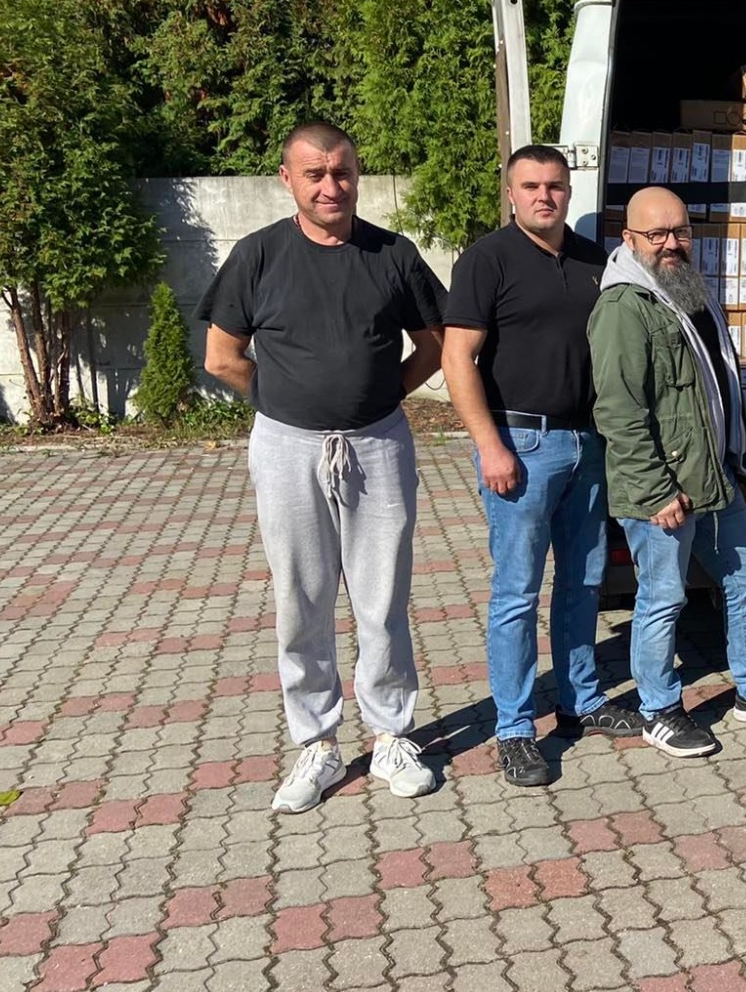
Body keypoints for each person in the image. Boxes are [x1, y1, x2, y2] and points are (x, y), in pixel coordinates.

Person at [199, 121, 446, 814]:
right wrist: (283, 402)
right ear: (289, 180)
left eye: (342, 172)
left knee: (382, 596)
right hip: (287, 448)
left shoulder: (392, 254)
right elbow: (222, 357)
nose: (331, 186)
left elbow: (433, 345)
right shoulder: (258, 257)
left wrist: (385, 393)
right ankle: (316, 744)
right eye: (315, 175)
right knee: (301, 599)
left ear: (356, 174)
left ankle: (392, 735)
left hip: (377, 444)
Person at [589, 186, 746, 758]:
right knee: (663, 597)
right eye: (657, 234)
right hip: (662, 488)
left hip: (713, 475)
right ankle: (660, 710)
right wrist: (653, 489)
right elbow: (619, 411)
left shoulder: (687, 290)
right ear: (630, 239)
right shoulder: (624, 307)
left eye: (680, 232)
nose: (671, 244)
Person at [443, 145, 637, 788]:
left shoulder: (594, 260)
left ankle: (581, 702)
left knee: (583, 585)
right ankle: (515, 729)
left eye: (554, 185)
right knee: (517, 594)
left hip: (589, 445)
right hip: (522, 446)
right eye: (530, 186)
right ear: (511, 192)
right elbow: (456, 359)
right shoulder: (486, 260)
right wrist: (489, 445)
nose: (544, 196)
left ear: (568, 190)